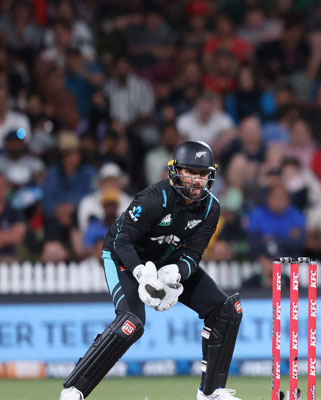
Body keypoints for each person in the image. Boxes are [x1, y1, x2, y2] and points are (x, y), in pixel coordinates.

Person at [60, 141, 243, 400]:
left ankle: (210, 392)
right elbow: (122, 241)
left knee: (227, 310)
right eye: (191, 172)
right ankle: (74, 389)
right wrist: (141, 275)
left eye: (202, 174)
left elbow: (194, 254)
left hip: (168, 261)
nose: (197, 180)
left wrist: (176, 273)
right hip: (124, 257)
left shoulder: (211, 208)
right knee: (131, 323)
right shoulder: (154, 198)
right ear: (176, 171)